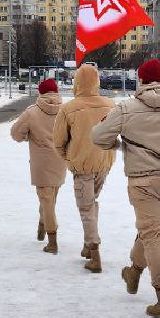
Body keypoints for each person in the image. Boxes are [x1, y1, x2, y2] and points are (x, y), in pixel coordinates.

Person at [91, 58, 160, 318]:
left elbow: (98, 137)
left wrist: (120, 145)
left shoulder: (126, 108)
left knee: (152, 234)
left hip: (141, 181)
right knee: (150, 229)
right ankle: (134, 271)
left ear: (141, 80)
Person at [52, 63, 116, 273]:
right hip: (103, 164)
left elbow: (58, 141)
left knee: (86, 207)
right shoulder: (110, 104)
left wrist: (70, 158)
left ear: (77, 82)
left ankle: (95, 253)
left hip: (82, 167)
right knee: (92, 202)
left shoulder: (69, 108)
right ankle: (88, 245)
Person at [11, 78, 67, 253]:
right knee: (51, 198)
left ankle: (52, 241)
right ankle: (43, 225)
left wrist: (29, 136)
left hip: (41, 164)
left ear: (40, 92)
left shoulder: (31, 112)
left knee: (47, 200)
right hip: (60, 161)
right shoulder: (65, 111)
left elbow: (16, 134)